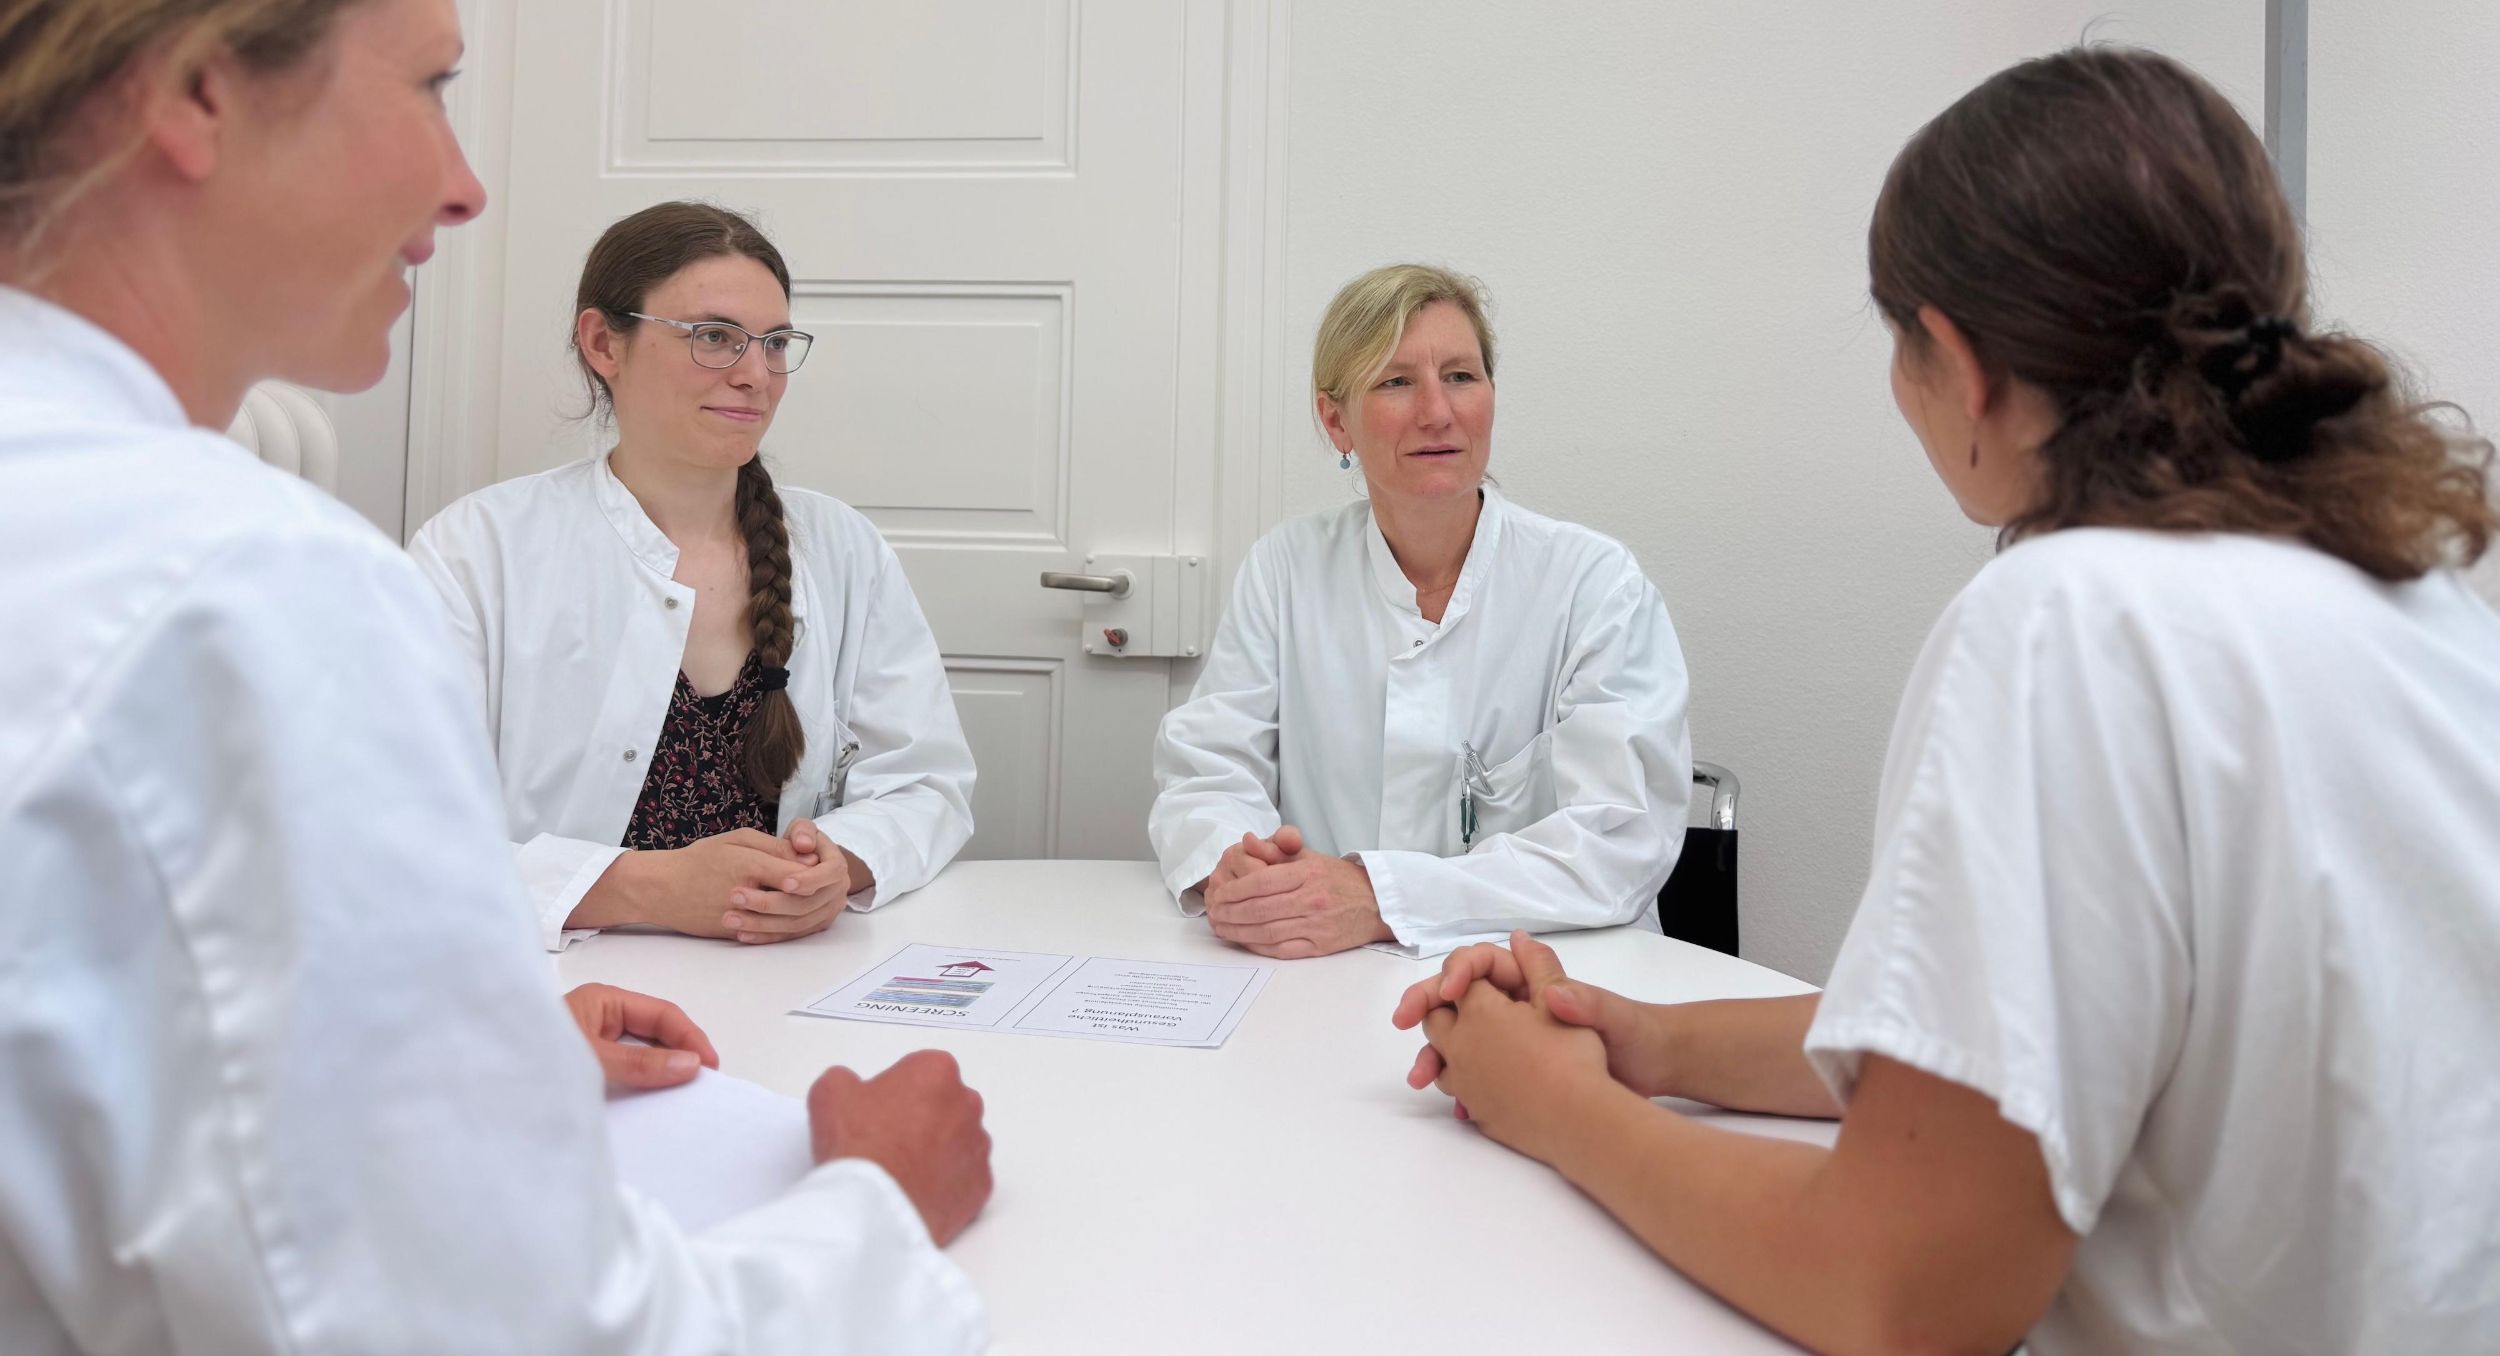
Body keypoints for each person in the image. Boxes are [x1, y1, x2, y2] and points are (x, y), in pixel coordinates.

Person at [1392, 46, 2500, 1355]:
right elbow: (2001, 1038)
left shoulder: (2069, 620)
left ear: (1959, 364)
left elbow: (1900, 1290)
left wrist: (1559, 1108)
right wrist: (1642, 1041)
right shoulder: (2418, 602)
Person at [0, 1, 993, 1350]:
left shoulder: (99, 530)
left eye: (774, 344)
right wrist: (874, 1208)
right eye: (430, 86)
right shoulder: (253, 584)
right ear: (198, 92)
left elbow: (131, 1074)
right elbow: (514, 1325)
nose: (465, 186)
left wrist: (476, 1045)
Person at [410, 201, 976, 951]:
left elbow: (923, 781)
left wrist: (841, 863)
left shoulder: (841, 547)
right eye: (714, 338)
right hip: (555, 996)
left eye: (774, 344)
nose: (755, 376)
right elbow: (394, 827)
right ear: (604, 344)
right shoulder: (476, 551)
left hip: (789, 983)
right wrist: (645, 887)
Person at [1149, 264, 1692, 959]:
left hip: (1550, 972)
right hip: (1319, 972)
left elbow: (1622, 837)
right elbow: (1209, 768)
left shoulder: (1593, 584)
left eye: (1461, 376)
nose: (1438, 411)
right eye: (1396, 381)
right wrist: (1237, 866)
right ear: (1335, 419)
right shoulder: (1285, 569)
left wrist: (1377, 897)